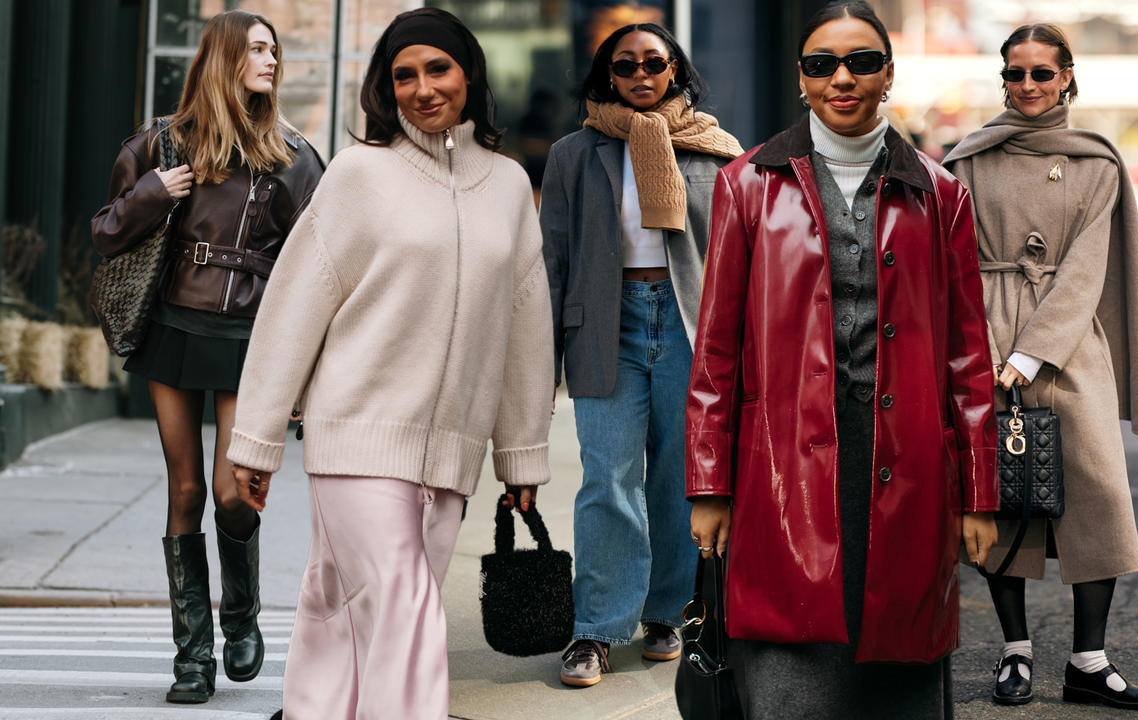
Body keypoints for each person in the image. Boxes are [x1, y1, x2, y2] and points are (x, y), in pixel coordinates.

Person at [225, 8, 553, 719]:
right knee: (403, 607)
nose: (423, 88)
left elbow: (526, 325)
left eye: (438, 69)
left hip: (452, 451)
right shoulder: (358, 175)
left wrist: (520, 454)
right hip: (356, 433)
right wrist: (255, 439)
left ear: (470, 72)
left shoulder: (506, 186)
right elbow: (293, 306)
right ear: (385, 88)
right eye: (404, 75)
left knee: (342, 605)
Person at [685, 2, 999, 717]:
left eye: (862, 61)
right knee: (790, 659)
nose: (842, 78)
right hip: (782, 465)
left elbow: (967, 357)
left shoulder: (940, 193)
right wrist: (709, 483)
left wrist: (980, 493)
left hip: (910, 465)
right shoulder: (748, 185)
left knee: (900, 656)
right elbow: (716, 351)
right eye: (821, 64)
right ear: (801, 79)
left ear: (889, 73)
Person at [90, 9, 324, 705]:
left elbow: (319, 260)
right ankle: (192, 657)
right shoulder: (160, 144)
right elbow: (105, 233)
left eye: (274, 50)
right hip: (171, 329)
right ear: (223, 57)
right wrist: (151, 192)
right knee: (185, 491)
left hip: (249, 340)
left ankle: (242, 617)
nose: (271, 61)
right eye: (257, 49)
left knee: (232, 492)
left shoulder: (294, 155)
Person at [943, 24, 1138, 710]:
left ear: (1068, 75)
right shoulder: (967, 159)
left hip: (1069, 350)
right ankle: (1015, 653)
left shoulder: (1097, 163)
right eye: (1016, 74)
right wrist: (981, 351)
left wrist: (1029, 353)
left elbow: (1085, 272)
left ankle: (1089, 663)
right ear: (1001, 78)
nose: (1029, 86)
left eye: (1043, 73)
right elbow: (948, 265)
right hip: (982, 334)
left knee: (1098, 494)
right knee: (998, 497)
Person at [540, 23, 742, 687]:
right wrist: (543, 360)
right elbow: (555, 257)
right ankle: (597, 629)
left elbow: (740, 262)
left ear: (675, 70)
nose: (641, 74)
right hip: (605, 328)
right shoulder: (576, 153)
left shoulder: (716, 152)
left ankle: (666, 612)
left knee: (678, 480)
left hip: (689, 327)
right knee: (607, 478)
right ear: (608, 76)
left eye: (654, 62)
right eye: (625, 65)